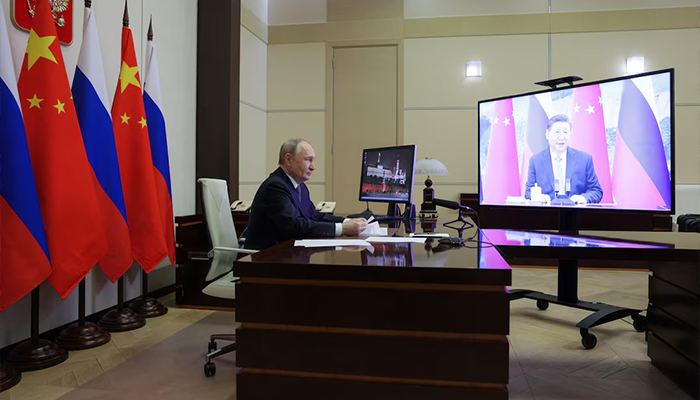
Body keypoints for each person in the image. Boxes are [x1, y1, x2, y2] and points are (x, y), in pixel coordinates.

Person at [244, 138, 368, 250]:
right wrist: (343, 229)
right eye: (308, 160)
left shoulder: (300, 186)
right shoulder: (275, 187)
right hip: (265, 260)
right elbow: (294, 226)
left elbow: (314, 216)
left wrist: (348, 222)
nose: (313, 167)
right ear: (288, 159)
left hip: (287, 255)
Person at [524, 114, 603, 204]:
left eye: (565, 132)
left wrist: (583, 198)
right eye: (557, 132)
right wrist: (538, 197)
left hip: (575, 214)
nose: (561, 137)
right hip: (547, 214)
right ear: (547, 134)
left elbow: (596, 190)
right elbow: (528, 193)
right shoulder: (536, 161)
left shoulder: (584, 159)